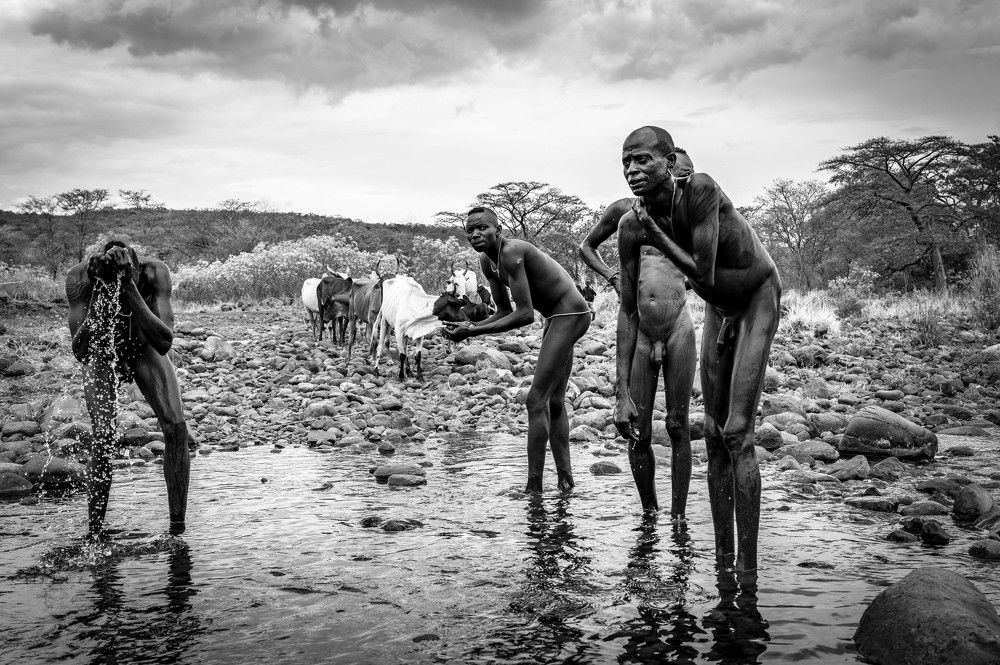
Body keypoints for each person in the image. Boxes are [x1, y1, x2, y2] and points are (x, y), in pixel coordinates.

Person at [615, 126, 781, 574]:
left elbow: (704, 276)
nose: (633, 169)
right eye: (626, 161)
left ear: (669, 162)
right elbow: (628, 309)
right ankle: (722, 563)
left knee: (737, 432)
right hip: (719, 311)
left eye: (644, 159)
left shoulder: (701, 190)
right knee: (710, 431)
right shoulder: (631, 225)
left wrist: (654, 230)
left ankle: (747, 570)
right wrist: (620, 393)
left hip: (755, 299)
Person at [579, 151, 697, 519]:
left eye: (688, 175)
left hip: (679, 325)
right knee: (638, 430)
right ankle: (649, 514)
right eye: (680, 173)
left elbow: (710, 265)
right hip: (640, 329)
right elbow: (586, 246)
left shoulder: (690, 213)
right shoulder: (625, 215)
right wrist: (614, 278)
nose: (683, 181)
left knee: (678, 425)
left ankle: (678, 518)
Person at [444, 207, 591, 493]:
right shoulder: (488, 263)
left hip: (570, 315)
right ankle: (566, 481)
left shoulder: (512, 253)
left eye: (482, 228)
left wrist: (473, 331)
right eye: (470, 230)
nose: (475, 234)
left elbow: (525, 315)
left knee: (535, 401)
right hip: (556, 317)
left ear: (498, 230)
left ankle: (533, 489)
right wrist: (468, 329)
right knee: (554, 402)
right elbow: (503, 311)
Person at [66, 240, 191, 538]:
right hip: (100, 349)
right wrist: (99, 292)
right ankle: (94, 533)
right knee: (103, 436)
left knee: (175, 428)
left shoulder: (154, 272)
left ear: (136, 268)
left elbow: (164, 341)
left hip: (144, 343)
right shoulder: (80, 278)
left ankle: (177, 530)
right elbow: (82, 351)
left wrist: (128, 288)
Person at [579, 148, 695, 295]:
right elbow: (586, 246)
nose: (691, 180)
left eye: (692, 174)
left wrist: (675, 287)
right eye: (686, 174)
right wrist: (613, 278)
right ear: (666, 169)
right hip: (633, 308)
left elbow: (707, 272)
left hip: (675, 307)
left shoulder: (692, 217)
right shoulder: (624, 210)